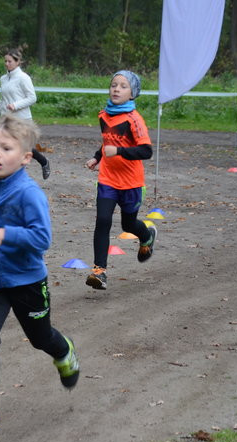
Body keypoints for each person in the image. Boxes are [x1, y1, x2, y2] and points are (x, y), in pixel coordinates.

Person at [0, 115, 79, 439]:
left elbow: (42, 239)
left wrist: (5, 233)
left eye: (6, 148)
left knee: (40, 338)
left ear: (25, 157)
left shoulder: (29, 194)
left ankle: (63, 350)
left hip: (27, 282)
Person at [83, 70, 157, 290]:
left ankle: (147, 236)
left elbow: (146, 151)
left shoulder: (134, 119)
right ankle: (99, 271)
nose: (116, 89)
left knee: (128, 223)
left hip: (132, 183)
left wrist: (119, 152)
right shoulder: (103, 115)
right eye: (114, 85)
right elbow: (108, 141)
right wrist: (98, 157)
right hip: (107, 179)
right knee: (103, 221)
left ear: (133, 93)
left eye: (123, 86)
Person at [0, 48, 51, 180]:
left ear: (18, 62)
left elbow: (32, 97)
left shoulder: (24, 78)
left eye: (10, 61)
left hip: (22, 119)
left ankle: (43, 162)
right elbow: (3, 99)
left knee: (24, 147)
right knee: (8, 145)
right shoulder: (3, 79)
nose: (7, 64)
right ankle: (10, 173)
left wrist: (15, 105)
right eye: (5, 61)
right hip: (7, 118)